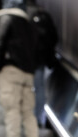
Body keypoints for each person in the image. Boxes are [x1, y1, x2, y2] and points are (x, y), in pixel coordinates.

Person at [0, 1, 39, 137]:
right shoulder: (29, 23)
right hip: (28, 72)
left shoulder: (6, 18)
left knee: (11, 106)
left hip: (11, 68)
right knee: (27, 109)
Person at [27, 0, 58, 128]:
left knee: (26, 89)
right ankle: (37, 118)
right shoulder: (45, 16)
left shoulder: (23, 16)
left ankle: (27, 120)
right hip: (40, 60)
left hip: (25, 61)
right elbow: (54, 37)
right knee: (39, 88)